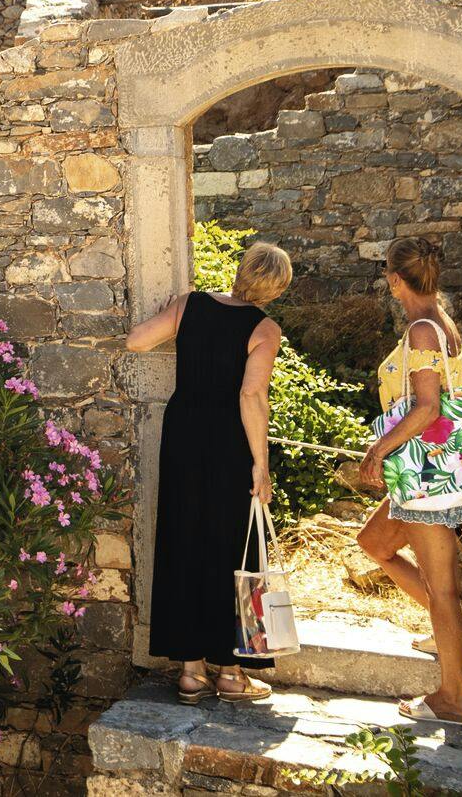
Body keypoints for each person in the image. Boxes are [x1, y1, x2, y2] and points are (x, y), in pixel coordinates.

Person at [128, 241, 293, 703]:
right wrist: (261, 465)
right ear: (275, 288)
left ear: (242, 270)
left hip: (182, 439)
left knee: (184, 539)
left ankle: (190, 672)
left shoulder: (190, 305)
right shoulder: (264, 327)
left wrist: (174, 315)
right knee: (234, 551)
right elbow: (250, 396)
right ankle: (232, 674)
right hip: (228, 446)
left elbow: (136, 340)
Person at [351, 236, 462, 728]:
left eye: (387, 275)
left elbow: (428, 408)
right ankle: (449, 639)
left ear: (395, 280)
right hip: (424, 473)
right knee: (374, 543)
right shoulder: (441, 321)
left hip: (429, 475)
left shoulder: (424, 331)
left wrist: (378, 449)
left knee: (443, 591)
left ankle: (453, 698)